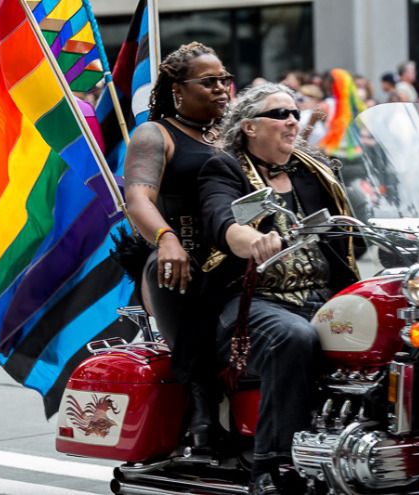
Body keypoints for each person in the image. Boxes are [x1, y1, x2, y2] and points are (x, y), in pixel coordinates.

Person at [198, 83, 358, 494]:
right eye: (279, 114)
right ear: (250, 127)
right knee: (293, 337)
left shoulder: (312, 170)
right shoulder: (226, 168)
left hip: (321, 297)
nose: (291, 120)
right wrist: (249, 240)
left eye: (293, 113)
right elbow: (221, 218)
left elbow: (353, 228)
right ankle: (273, 466)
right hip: (251, 301)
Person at [122, 41, 231, 450]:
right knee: (177, 276)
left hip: (237, 252)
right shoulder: (155, 134)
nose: (221, 88)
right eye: (209, 82)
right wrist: (166, 239)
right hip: (180, 257)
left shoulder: (233, 132)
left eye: (225, 80)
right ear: (177, 89)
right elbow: (137, 199)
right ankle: (203, 407)